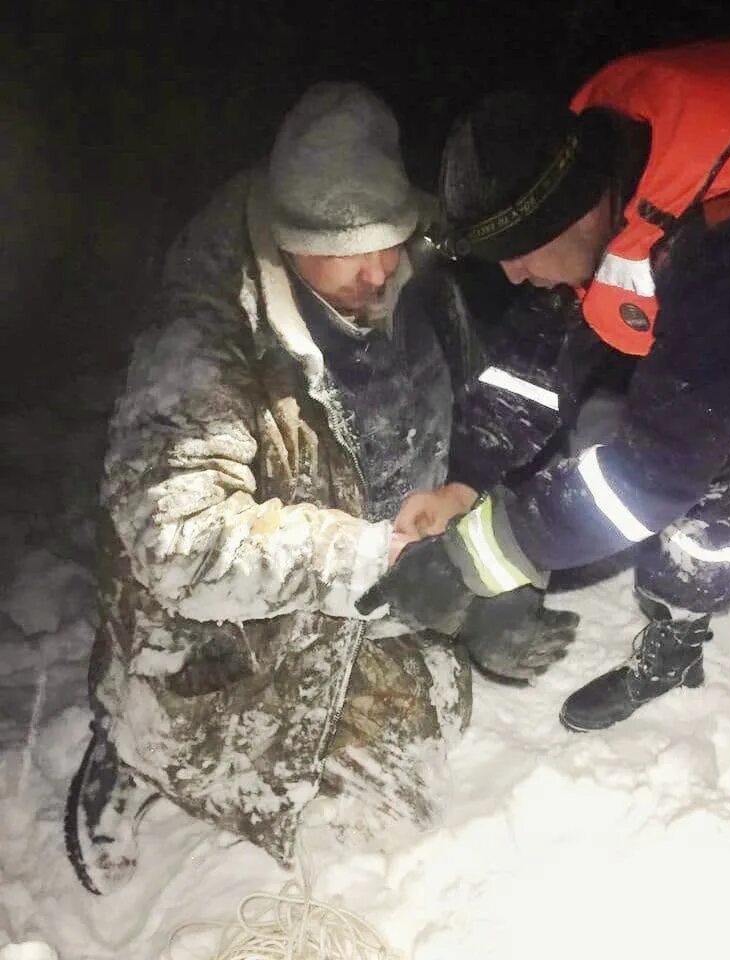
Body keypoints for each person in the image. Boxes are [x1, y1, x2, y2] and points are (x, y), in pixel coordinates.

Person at [359, 41, 730, 886]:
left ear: (580, 212)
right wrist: (464, 478)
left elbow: (651, 472)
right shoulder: (603, 179)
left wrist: (472, 559)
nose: (514, 272)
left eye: (526, 249)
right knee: (715, 511)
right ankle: (673, 647)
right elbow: (537, 361)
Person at [64, 82, 577, 896]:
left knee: (392, 823)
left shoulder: (424, 261)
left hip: (385, 590)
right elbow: (175, 535)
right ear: (286, 236)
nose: (378, 270)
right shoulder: (204, 332)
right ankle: (134, 748)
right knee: (202, 741)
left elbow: (511, 389)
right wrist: (376, 559)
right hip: (252, 619)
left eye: (389, 238)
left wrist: (490, 570)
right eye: (345, 246)